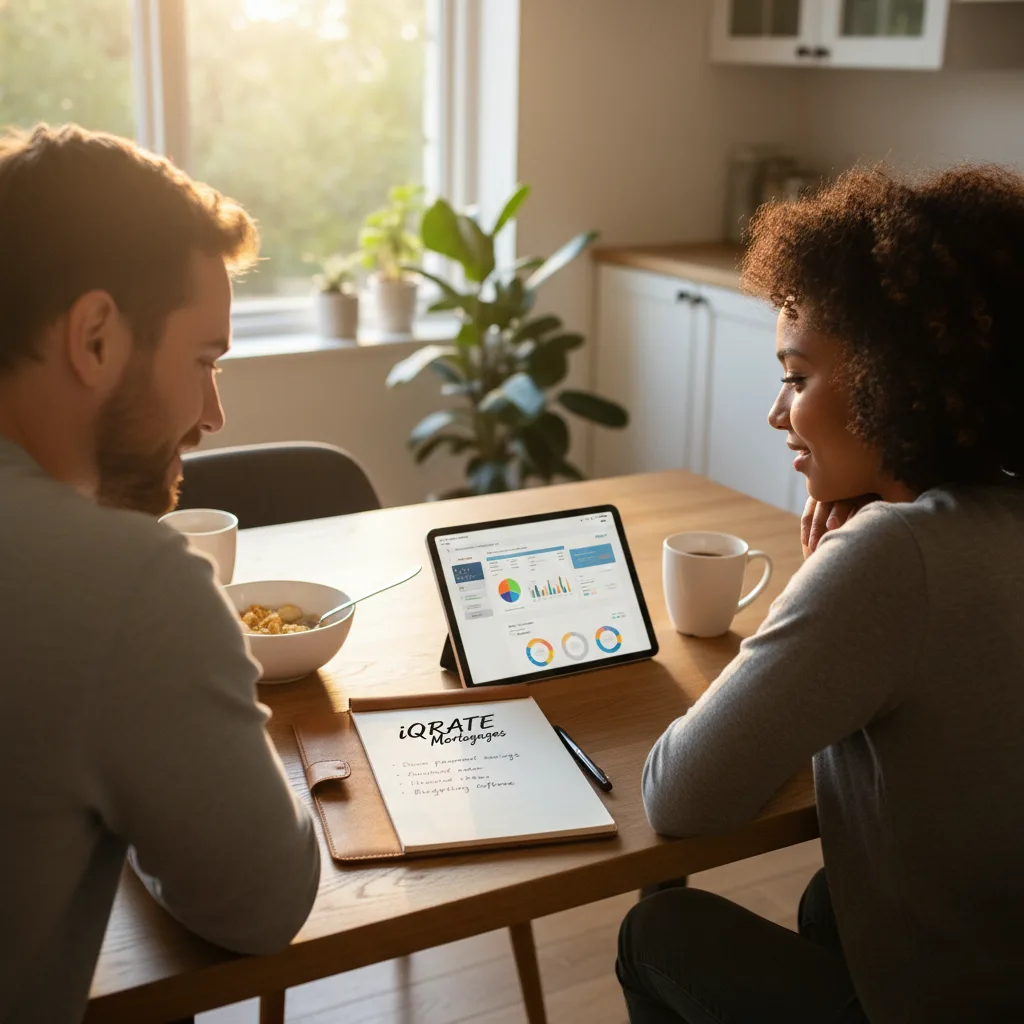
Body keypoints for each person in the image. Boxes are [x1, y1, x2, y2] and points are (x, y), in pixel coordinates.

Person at [616, 165, 1024, 1023]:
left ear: (891, 380)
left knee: (661, 931)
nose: (777, 413)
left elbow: (682, 797)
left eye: (796, 378)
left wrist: (825, 577)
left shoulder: (895, 556)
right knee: (826, 904)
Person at [0, 124, 320, 1024]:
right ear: (96, 336)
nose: (212, 415)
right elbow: (263, 904)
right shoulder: (125, 586)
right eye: (203, 362)